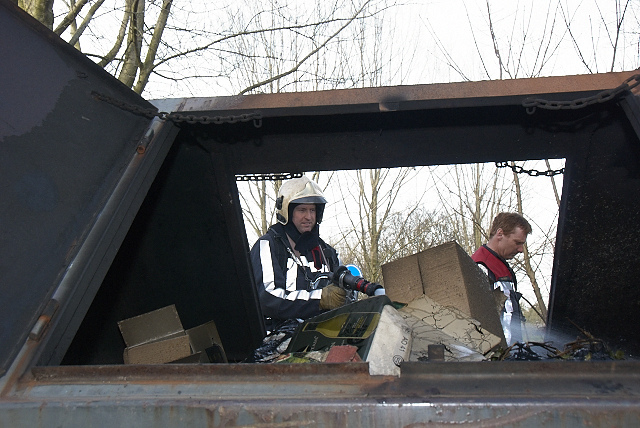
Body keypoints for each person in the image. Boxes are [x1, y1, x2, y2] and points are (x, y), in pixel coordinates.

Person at [250, 176, 348, 332]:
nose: (308, 217)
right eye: (302, 210)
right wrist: (319, 300)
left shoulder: (328, 253)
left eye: (312, 210)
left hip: (323, 337)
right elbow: (268, 298)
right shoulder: (268, 246)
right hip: (278, 340)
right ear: (287, 211)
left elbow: (344, 293)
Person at [472, 212, 532, 345]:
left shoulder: (501, 265)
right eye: (517, 243)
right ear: (500, 234)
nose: (521, 249)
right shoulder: (480, 265)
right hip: (496, 354)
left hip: (510, 351)